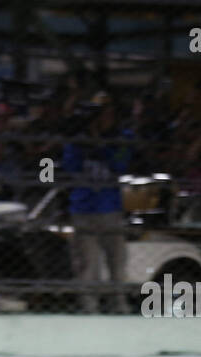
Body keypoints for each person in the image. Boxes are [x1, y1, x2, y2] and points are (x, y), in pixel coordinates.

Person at [62, 95, 131, 313]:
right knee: (87, 263)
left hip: (110, 208)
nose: (103, 119)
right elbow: (69, 167)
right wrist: (84, 142)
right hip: (84, 208)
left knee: (116, 261)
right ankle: (89, 307)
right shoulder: (78, 140)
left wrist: (100, 145)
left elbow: (120, 163)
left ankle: (118, 303)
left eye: (106, 114)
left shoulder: (123, 137)